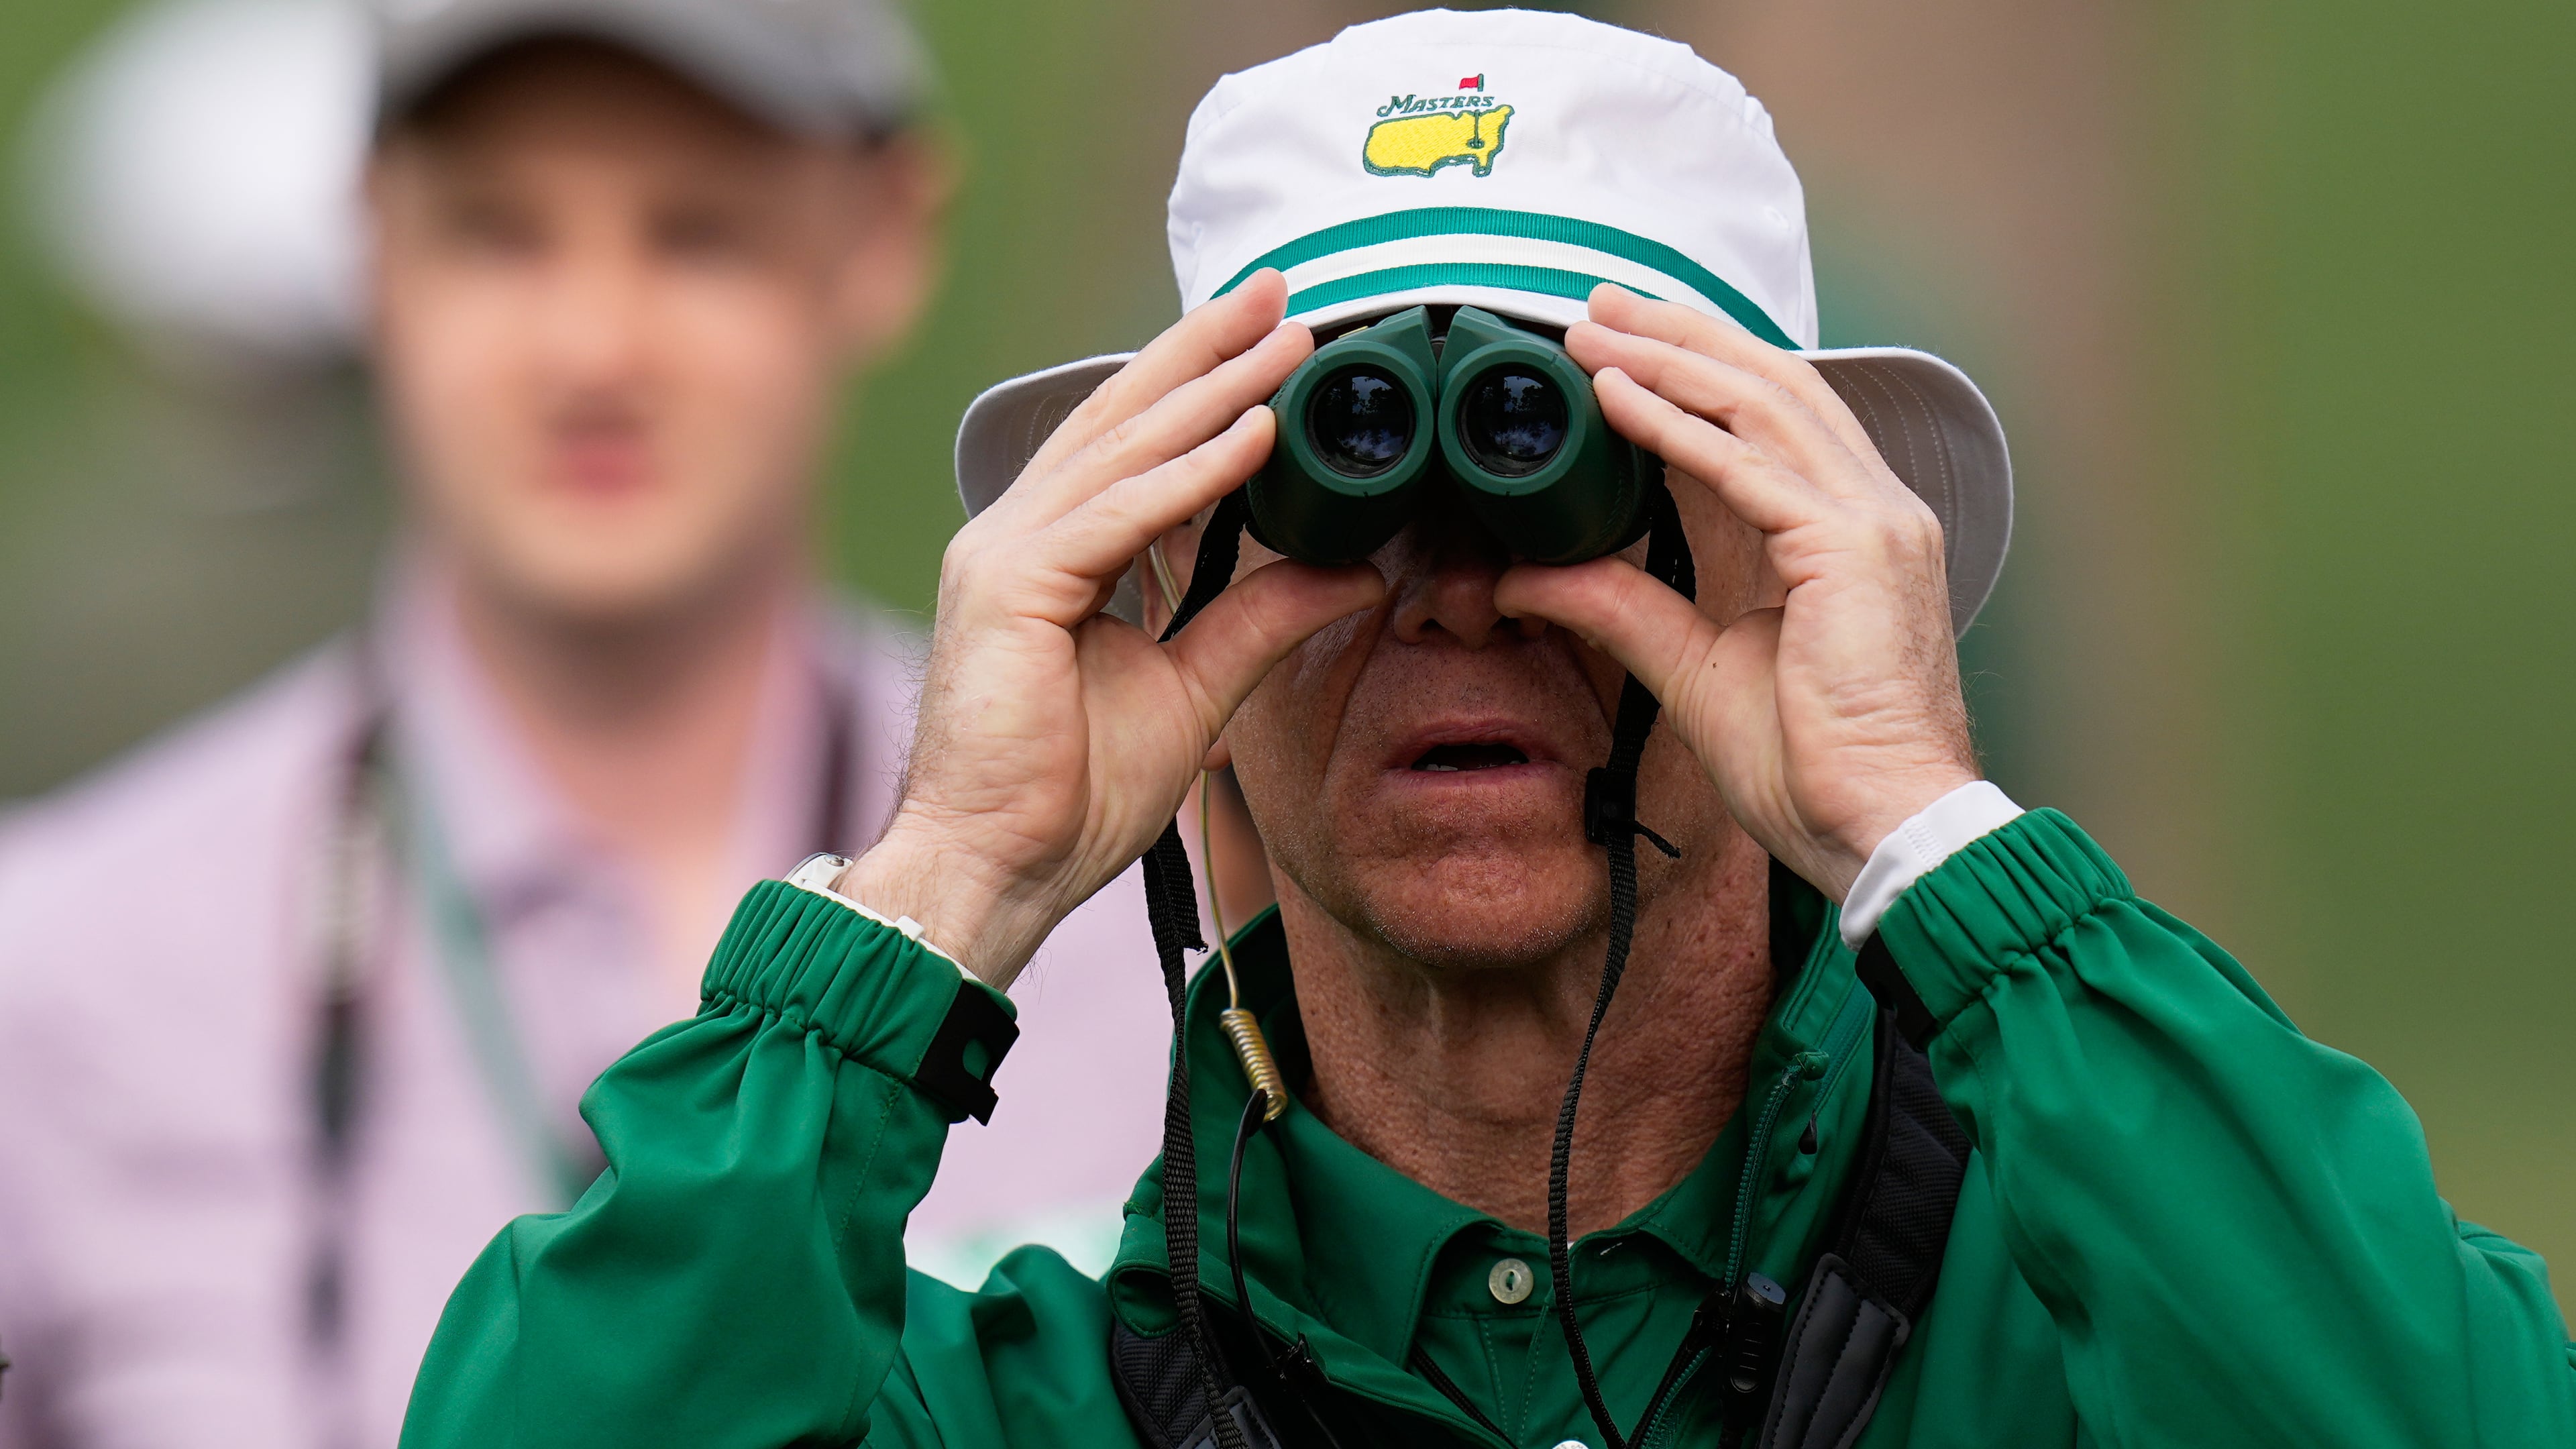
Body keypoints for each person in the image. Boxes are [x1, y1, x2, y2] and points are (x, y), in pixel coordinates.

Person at [403, 9, 2576, 1447]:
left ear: (1788, 538)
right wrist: (940, 889)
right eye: (1330, 468)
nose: (1454, 580)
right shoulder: (1014, 1396)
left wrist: (1931, 830)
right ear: (1169, 570)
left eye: (1576, 454)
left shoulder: (2100, 1342)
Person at [0, 1, 1173, 1444]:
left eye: (697, 233)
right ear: (369, 242)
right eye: (500, 231)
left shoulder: (1167, 911)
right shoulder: (53, 979)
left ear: (884, 232)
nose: (593, 349)